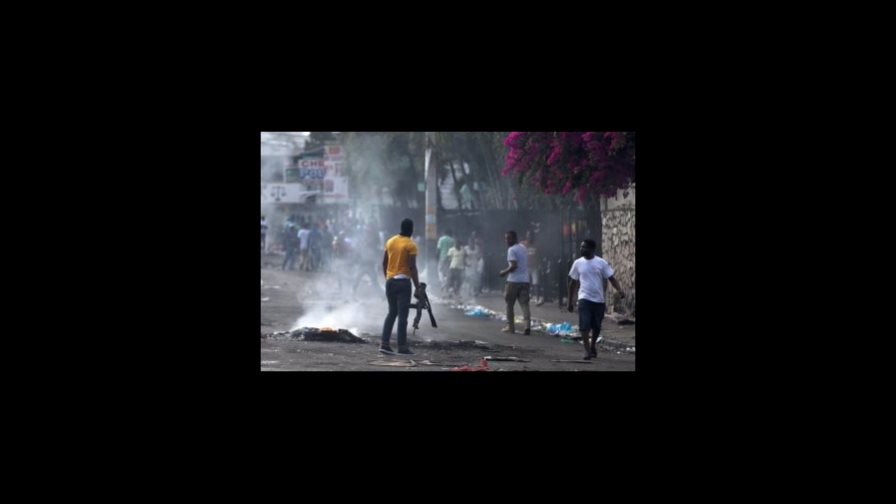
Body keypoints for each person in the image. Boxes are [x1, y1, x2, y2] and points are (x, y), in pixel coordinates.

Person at [567, 239, 625, 360]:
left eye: (584, 247)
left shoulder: (601, 263)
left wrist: (619, 290)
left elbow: (611, 278)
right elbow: (572, 283)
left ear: (592, 249)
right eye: (581, 247)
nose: (581, 249)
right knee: (585, 324)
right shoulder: (578, 263)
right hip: (584, 298)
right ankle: (587, 351)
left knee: (596, 326)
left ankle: (593, 345)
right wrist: (570, 302)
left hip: (598, 300)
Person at [380, 218, 422, 355]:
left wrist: (388, 278)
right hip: (403, 283)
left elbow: (384, 263)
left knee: (392, 313)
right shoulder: (410, 245)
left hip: (390, 282)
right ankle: (402, 347)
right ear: (411, 229)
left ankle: (384, 344)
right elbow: (412, 267)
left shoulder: (390, 241)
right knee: (403, 316)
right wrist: (417, 286)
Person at [498, 230, 530, 335]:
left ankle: (510, 327)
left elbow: (513, 265)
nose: (507, 241)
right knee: (524, 304)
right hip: (525, 280)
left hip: (513, 281)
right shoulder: (523, 248)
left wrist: (504, 272)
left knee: (509, 304)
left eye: (509, 238)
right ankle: (527, 326)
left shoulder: (511, 250)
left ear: (514, 238)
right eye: (506, 238)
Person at [521, 230, 543, 306]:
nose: (530, 237)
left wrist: (540, 264)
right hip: (526, 267)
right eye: (528, 235)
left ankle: (537, 299)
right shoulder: (523, 244)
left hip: (535, 267)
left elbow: (539, 256)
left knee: (536, 283)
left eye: (531, 235)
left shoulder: (536, 245)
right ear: (526, 236)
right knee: (526, 283)